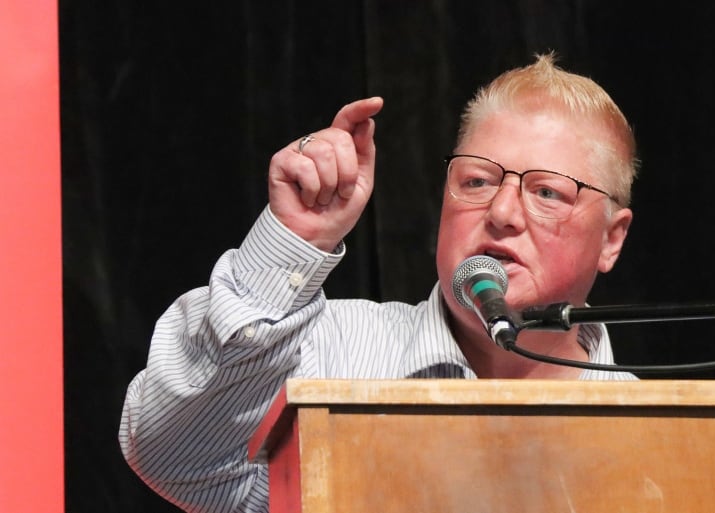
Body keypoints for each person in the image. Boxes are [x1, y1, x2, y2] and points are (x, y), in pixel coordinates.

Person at [120, 53, 638, 512]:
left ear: (612, 240)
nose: (501, 211)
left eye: (547, 193)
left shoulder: (662, 435)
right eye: (476, 181)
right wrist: (293, 241)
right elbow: (173, 457)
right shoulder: (323, 355)